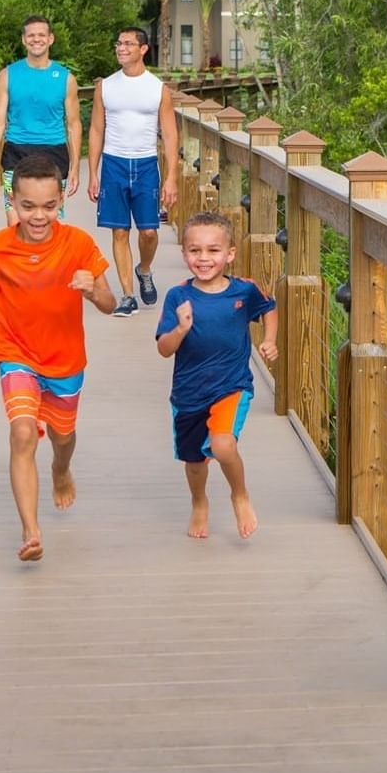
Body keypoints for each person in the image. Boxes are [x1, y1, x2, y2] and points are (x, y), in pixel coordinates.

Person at [0, 153, 118, 562]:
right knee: (23, 433)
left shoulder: (79, 244)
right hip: (15, 354)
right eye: (27, 206)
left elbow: (109, 303)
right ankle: (30, 531)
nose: (38, 216)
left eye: (49, 206)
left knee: (63, 437)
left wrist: (92, 290)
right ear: (12, 202)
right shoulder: (0, 244)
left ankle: (61, 469)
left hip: (65, 360)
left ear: (62, 198)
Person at [154, 212, 277, 540]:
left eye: (213, 250)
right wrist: (181, 328)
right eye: (195, 251)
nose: (204, 258)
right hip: (188, 393)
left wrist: (268, 340)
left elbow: (269, 308)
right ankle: (199, 502)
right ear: (183, 254)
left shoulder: (244, 291)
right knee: (195, 462)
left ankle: (240, 494)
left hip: (232, 386)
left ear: (230, 254)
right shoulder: (178, 297)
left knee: (223, 446)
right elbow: (164, 349)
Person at [88, 27, 178, 317]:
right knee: (119, 231)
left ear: (143, 49)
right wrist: (93, 172)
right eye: (118, 43)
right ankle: (128, 295)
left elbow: (170, 134)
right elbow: (97, 129)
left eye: (128, 44)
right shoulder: (106, 86)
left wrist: (172, 177)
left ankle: (145, 269)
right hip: (113, 163)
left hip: (145, 165)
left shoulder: (158, 89)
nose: (121, 48)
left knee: (149, 231)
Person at [0, 15, 82, 222]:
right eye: (31, 35)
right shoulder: (8, 75)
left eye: (41, 35)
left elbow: (73, 125)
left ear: (50, 39)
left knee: (48, 222)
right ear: (23, 39)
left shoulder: (66, 78)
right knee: (15, 222)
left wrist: (75, 167)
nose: (36, 39)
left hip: (54, 152)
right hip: (16, 151)